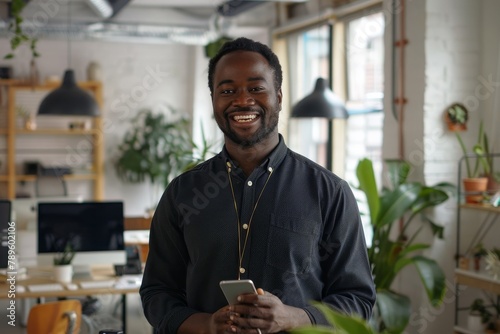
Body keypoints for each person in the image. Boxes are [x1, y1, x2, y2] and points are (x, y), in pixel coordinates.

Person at [140, 37, 375, 334]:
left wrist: (294, 317)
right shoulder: (182, 193)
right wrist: (208, 324)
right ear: (213, 99)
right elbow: (157, 294)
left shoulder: (329, 193)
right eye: (227, 90)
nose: (242, 100)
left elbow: (358, 300)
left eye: (256, 88)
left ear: (277, 95)